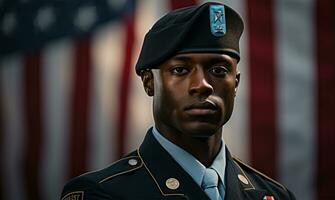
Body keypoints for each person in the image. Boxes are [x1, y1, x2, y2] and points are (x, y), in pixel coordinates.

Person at [61, 2, 296, 200]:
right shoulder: (102, 193)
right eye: (181, 70)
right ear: (148, 83)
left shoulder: (274, 195)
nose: (202, 84)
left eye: (219, 69)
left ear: (236, 83)